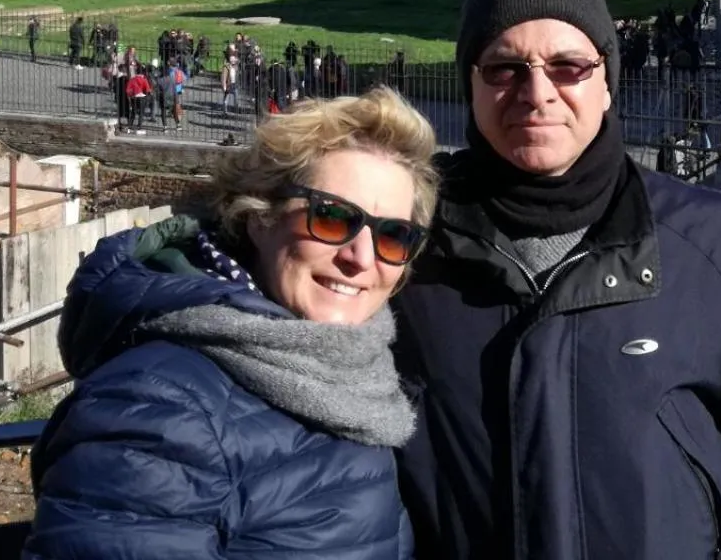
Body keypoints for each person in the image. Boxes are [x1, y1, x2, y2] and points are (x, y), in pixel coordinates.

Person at [392, 0, 721, 559]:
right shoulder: (397, 246)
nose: (537, 94)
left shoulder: (719, 245)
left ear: (607, 80)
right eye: (505, 68)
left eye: (568, 66)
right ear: (471, 83)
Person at [25, 89, 438, 557]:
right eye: (332, 217)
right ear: (260, 217)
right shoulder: (159, 407)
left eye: (394, 235)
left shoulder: (354, 372)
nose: (361, 258)